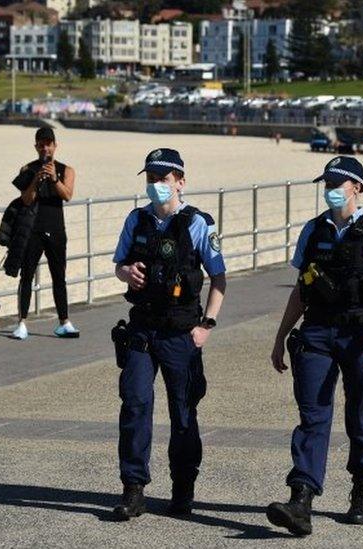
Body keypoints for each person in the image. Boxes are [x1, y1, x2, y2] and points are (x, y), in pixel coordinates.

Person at [266, 156, 363, 536]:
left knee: (360, 414)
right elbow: (300, 290)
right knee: (313, 415)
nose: (329, 191)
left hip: (362, 335)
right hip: (318, 332)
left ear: (356, 188)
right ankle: (301, 499)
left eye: (336, 184)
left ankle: (362, 490)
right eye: (325, 183)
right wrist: (280, 336)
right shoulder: (313, 231)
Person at [110, 148, 227, 519]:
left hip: (182, 333)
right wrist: (126, 273)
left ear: (180, 181)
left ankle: (183, 489)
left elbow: (219, 279)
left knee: (183, 412)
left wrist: (206, 325)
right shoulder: (137, 220)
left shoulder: (198, 224)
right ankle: (133, 489)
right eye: (151, 179)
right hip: (143, 329)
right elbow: (119, 266)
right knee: (135, 405)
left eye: (163, 178)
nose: (156, 185)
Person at [10, 127, 78, 340]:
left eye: (49, 144)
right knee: (26, 275)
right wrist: (36, 179)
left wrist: (54, 179)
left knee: (59, 276)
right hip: (33, 230)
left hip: (56, 229)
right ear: (36, 146)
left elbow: (67, 195)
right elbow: (26, 200)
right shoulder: (27, 169)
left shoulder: (66, 170)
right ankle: (21, 322)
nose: (45, 148)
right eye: (41, 144)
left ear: (55, 146)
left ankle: (64, 322)